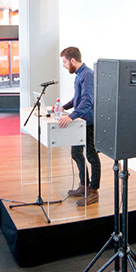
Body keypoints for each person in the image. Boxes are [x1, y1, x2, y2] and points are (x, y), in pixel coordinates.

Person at [60, 46, 101, 206]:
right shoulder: (79, 75)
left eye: (64, 62)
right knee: (76, 153)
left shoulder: (88, 75)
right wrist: (64, 107)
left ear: (72, 60)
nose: (63, 65)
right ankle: (84, 185)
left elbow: (87, 101)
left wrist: (70, 116)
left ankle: (94, 191)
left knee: (91, 156)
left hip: (89, 123)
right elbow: (78, 98)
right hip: (80, 122)